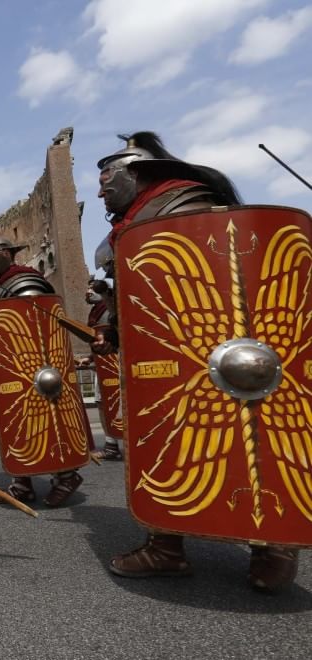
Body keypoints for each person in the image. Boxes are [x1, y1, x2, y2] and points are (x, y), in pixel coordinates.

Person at [91, 131, 299, 591]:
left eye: (108, 177)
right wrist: (115, 331)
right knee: (177, 441)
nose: (101, 187)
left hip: (213, 353)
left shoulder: (181, 211)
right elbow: (146, 301)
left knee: (233, 439)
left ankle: (267, 543)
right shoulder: (139, 223)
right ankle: (182, 546)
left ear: (139, 173)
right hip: (178, 357)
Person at [0, 237, 85, 508]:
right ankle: (22, 484)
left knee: (44, 424)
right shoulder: (4, 285)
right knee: (16, 423)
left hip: (35, 369)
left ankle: (66, 475)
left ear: (5, 254)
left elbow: (38, 328)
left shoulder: (25, 282)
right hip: (16, 369)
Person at [84, 278, 122, 461]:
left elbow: (115, 340)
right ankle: (111, 444)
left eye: (92, 289)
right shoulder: (96, 314)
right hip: (103, 363)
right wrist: (90, 358)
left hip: (116, 364)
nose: (88, 291)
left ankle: (114, 444)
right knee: (103, 401)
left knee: (112, 402)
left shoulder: (109, 313)